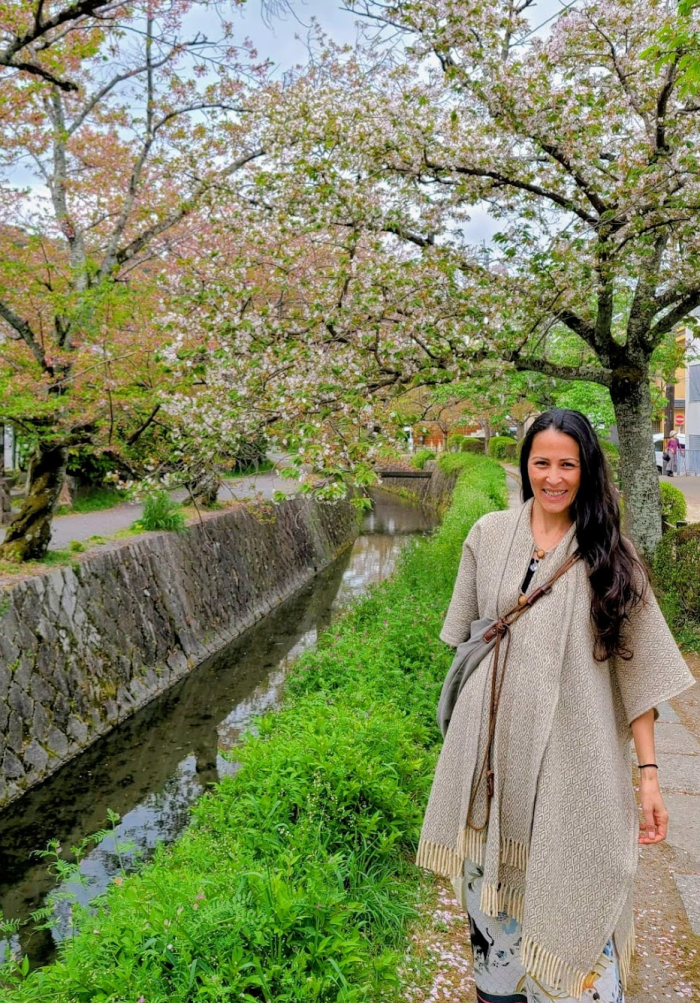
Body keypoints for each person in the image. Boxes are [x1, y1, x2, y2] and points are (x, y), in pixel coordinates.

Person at [417, 408, 694, 1003]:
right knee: (492, 931)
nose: (553, 476)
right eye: (541, 462)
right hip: (491, 769)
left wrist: (649, 777)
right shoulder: (488, 534)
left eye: (567, 464)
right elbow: (465, 637)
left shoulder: (610, 556)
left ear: (587, 469)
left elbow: (638, 673)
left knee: (576, 900)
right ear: (526, 466)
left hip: (576, 766)